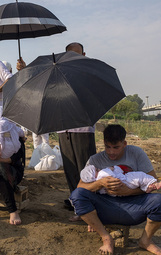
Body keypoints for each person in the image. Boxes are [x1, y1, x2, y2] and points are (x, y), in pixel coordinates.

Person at [70, 124, 161, 255]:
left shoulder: (136, 153)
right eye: (107, 147)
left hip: (134, 206)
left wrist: (128, 191)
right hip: (105, 207)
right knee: (77, 195)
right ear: (104, 143)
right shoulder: (95, 160)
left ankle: (146, 240)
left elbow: (152, 181)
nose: (111, 152)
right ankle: (106, 238)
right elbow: (80, 188)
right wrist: (100, 183)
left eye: (116, 147)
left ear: (124, 143)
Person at [56, 42, 96, 211]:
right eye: (70, 55)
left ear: (84, 54)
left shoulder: (89, 73)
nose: (74, 58)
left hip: (82, 128)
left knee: (85, 167)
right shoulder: (58, 73)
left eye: (78, 54)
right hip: (63, 127)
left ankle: (90, 202)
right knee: (70, 167)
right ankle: (76, 199)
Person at [81, 164, 161, 194]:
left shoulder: (99, 189)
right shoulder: (102, 174)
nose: (98, 169)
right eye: (96, 169)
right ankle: (154, 184)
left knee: (139, 181)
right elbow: (109, 172)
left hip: (116, 192)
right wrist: (111, 168)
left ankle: (147, 188)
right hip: (126, 181)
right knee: (140, 175)